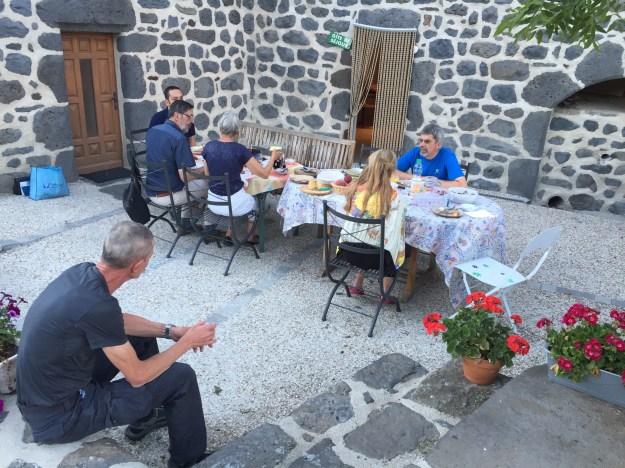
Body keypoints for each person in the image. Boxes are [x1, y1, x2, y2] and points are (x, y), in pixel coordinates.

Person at [16, 221, 217, 468]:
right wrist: (187, 342)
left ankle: (144, 419)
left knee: (140, 338)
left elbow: (115, 321)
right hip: (61, 418)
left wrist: (170, 331)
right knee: (181, 377)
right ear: (138, 265)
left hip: (48, 395)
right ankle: (189, 461)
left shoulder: (81, 273)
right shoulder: (98, 303)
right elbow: (137, 377)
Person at [202, 111, 283, 244]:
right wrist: (273, 157)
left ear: (220, 128)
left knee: (239, 194)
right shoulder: (239, 149)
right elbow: (264, 174)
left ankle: (229, 234)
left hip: (213, 201)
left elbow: (207, 176)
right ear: (236, 132)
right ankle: (250, 237)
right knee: (254, 199)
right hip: (233, 204)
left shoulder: (208, 147)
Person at [341, 149, 407, 304]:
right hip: (378, 260)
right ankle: (384, 292)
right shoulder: (395, 197)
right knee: (397, 243)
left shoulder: (356, 190)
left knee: (364, 236)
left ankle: (357, 284)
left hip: (348, 253)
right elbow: (396, 234)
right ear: (392, 170)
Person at [146, 99, 208, 234]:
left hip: (151, 189)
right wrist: (205, 168)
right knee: (210, 185)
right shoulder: (178, 138)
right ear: (177, 116)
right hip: (169, 194)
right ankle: (210, 230)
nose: (192, 121)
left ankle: (186, 224)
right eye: (189, 116)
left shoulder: (153, 131)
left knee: (196, 183)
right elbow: (185, 177)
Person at [394, 123, 468, 188]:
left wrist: (431, 182)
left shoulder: (447, 155)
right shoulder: (415, 152)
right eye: (421, 140)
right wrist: (420, 179)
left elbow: (462, 184)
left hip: (439, 196)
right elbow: (390, 171)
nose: (422, 144)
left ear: (438, 145)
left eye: (427, 141)